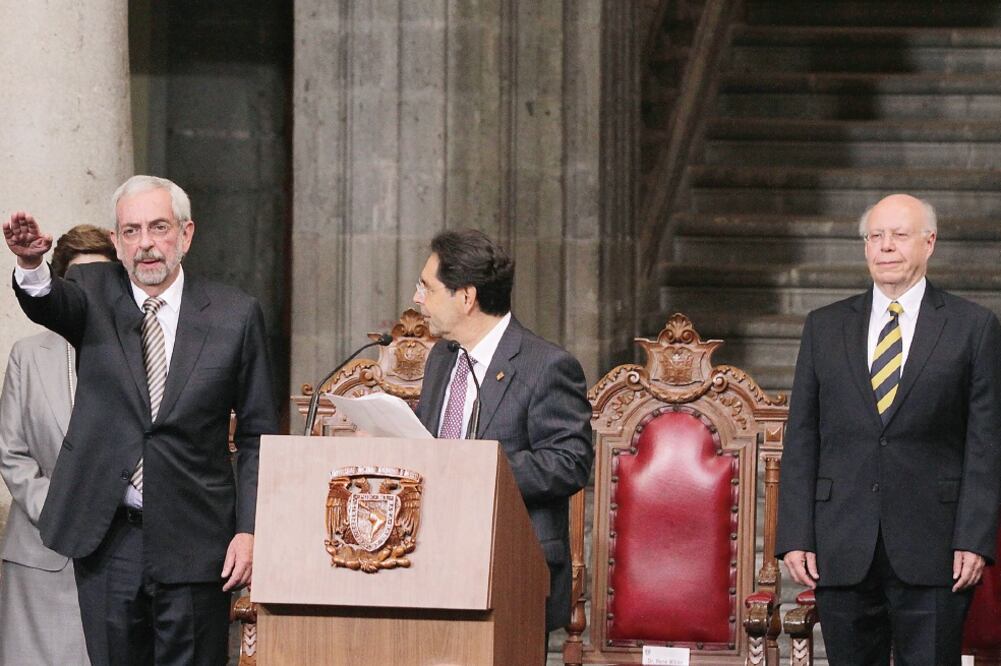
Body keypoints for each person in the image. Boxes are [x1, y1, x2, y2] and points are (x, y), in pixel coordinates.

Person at [3, 175, 279, 665]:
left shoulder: (235, 315)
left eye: (158, 227)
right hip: (110, 541)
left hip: (197, 541)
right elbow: (48, 301)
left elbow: (259, 434)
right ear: (116, 242)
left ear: (186, 234)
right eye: (131, 231)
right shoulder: (91, 292)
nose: (145, 244)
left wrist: (250, 529)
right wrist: (30, 265)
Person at [776, 193, 1001, 665]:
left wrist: (973, 538)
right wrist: (796, 534)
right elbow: (801, 438)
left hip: (936, 547)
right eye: (875, 236)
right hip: (842, 543)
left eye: (899, 235)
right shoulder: (824, 327)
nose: (885, 246)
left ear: (929, 243)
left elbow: (986, 444)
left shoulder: (973, 327)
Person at [412, 229, 593, 640]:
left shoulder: (546, 365)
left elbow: (569, 463)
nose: (417, 299)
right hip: (430, 560)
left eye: (427, 288)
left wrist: (478, 469)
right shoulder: (442, 357)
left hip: (512, 564)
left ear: (466, 297)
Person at [0, 224, 117, 666]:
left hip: (117, 554)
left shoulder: (143, 351)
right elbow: (11, 452)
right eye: (80, 282)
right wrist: (60, 507)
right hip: (41, 552)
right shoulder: (28, 354)